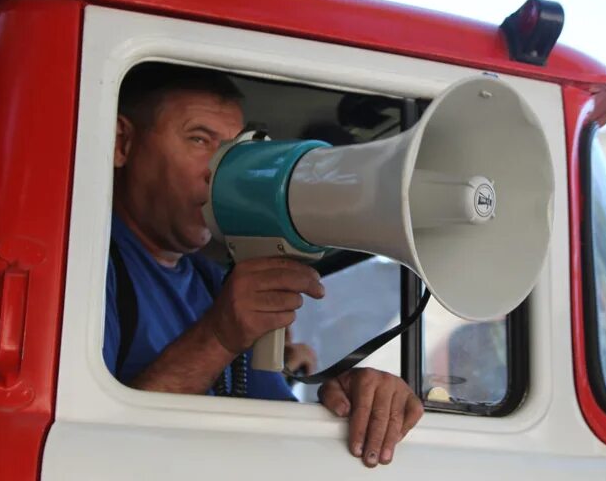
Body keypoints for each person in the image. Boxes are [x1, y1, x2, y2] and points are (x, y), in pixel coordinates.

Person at [104, 62, 423, 468]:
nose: (217, 169)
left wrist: (346, 400)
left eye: (232, 148)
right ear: (122, 143)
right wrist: (218, 338)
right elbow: (98, 444)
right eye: (200, 139)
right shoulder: (84, 267)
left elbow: (273, 432)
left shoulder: (214, 283)